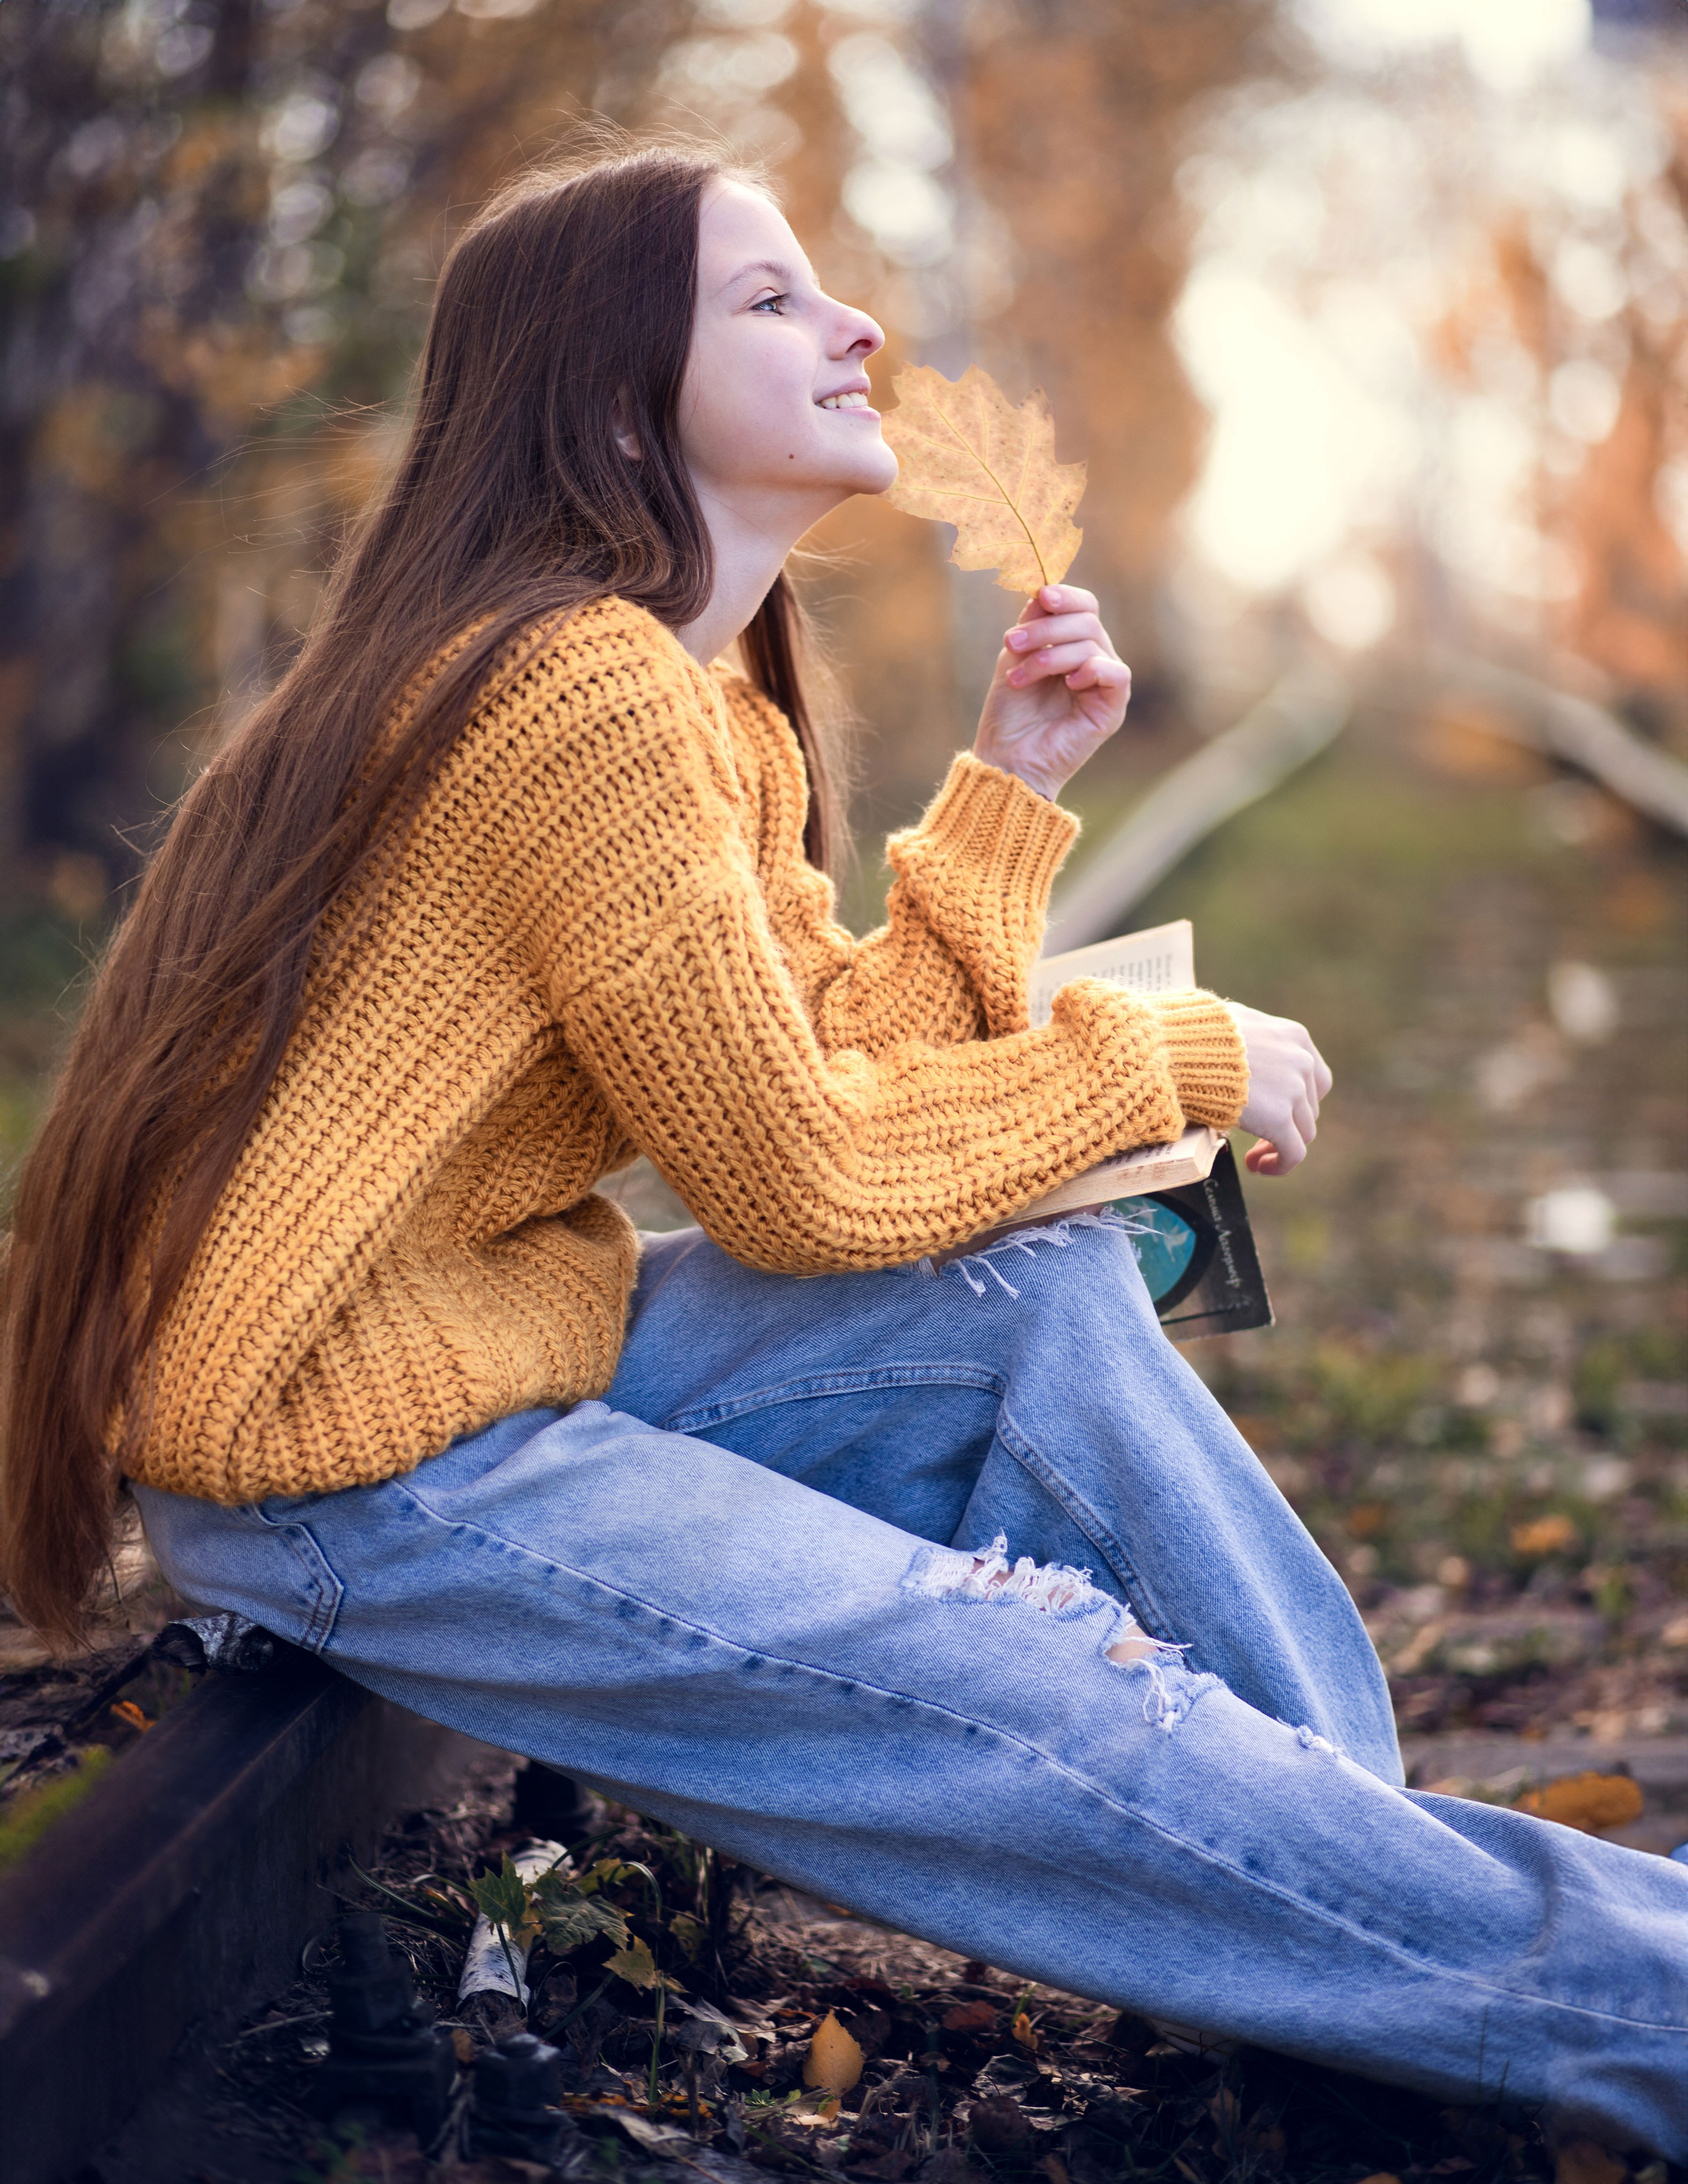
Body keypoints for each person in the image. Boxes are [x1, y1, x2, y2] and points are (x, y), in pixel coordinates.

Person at [1, 145, 1683, 2155]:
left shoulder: (696, 706)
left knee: (1031, 1286)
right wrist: (1166, 1057)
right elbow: (799, 1177)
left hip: (477, 1348)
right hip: (344, 1457)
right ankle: (1592, 1993)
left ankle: (1353, 1925)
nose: (855, 324)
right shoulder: (574, 692)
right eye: (773, 299)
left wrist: (1007, 792)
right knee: (1027, 1688)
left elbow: (809, 1058)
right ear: (619, 397)